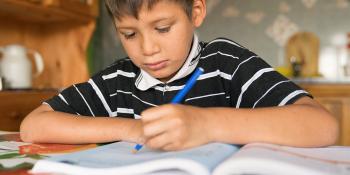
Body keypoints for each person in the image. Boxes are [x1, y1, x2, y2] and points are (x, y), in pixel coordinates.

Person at [20, 0, 338, 151]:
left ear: (195, 12)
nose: (148, 49)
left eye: (162, 28)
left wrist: (206, 124)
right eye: (129, 34)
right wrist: (135, 129)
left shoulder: (224, 62)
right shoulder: (118, 80)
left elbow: (321, 126)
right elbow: (34, 125)